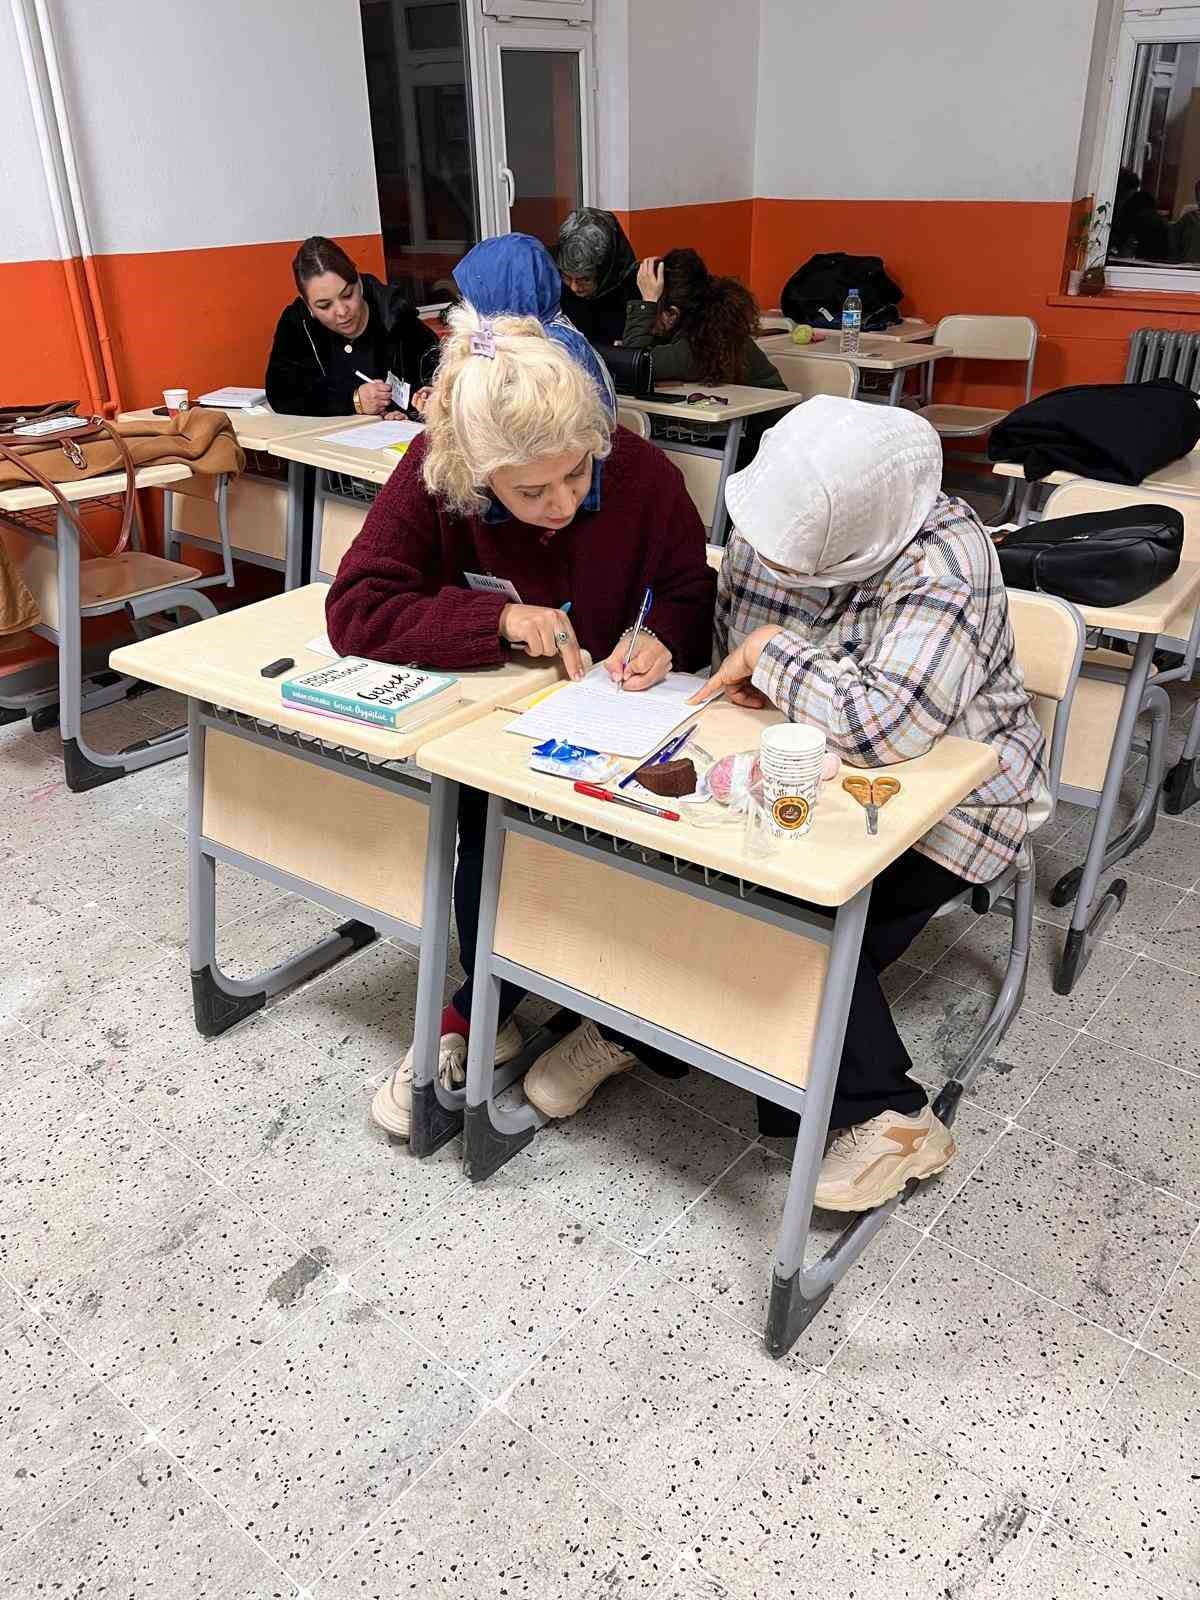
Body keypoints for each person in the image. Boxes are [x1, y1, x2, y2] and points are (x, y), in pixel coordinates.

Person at [325, 304, 716, 1140]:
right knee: (488, 831)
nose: (561, 503)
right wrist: (495, 621)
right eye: (530, 491)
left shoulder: (642, 475)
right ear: (476, 471)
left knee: (623, 864)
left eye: (576, 475)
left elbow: (691, 591)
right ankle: (488, 994)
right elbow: (356, 606)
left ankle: (615, 1017)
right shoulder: (437, 470)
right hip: (501, 742)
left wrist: (660, 635)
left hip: (619, 734)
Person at [678, 396, 1046, 1211]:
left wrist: (771, 655)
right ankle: (643, 1027)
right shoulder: (774, 509)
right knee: (691, 878)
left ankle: (892, 1117)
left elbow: (885, 727)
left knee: (778, 924)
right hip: (805, 769)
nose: (772, 570)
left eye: (797, 568)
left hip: (953, 807)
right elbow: (737, 656)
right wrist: (759, 675)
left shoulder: (945, 557)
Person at [265, 236, 439, 417]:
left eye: (347, 295)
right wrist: (353, 401)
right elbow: (282, 394)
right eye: (324, 306)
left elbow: (442, 387)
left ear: (359, 283)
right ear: (307, 305)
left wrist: (412, 414)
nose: (342, 311)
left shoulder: (396, 315)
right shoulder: (298, 323)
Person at [452, 233, 616, 413]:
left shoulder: (552, 346)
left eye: (476, 295)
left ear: (504, 291)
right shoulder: (523, 333)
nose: (470, 306)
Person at [622, 248, 785, 390]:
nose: (650, 319)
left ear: (672, 315)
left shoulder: (702, 346)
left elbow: (634, 364)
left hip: (768, 416)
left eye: (653, 311)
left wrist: (647, 303)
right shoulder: (707, 328)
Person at [553, 208, 640, 346]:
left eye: (585, 279)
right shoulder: (556, 285)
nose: (574, 287)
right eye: (567, 277)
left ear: (605, 271)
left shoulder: (633, 290)